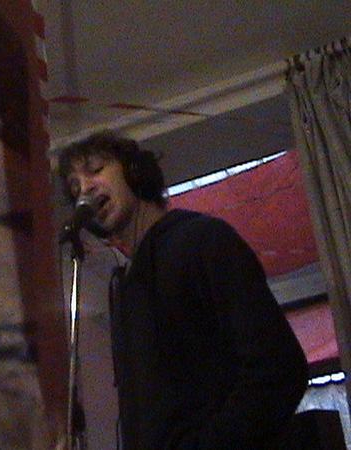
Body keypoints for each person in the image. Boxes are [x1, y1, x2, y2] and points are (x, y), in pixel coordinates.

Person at [57, 130, 310, 449]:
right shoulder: (126, 285)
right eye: (75, 187)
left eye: (95, 170)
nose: (85, 189)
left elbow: (279, 368)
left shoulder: (203, 240)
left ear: (134, 172)